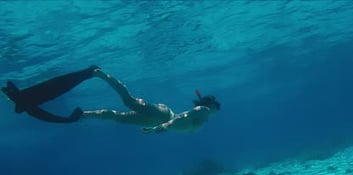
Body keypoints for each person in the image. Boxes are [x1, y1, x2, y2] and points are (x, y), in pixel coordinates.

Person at [1, 66, 220, 133]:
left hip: (158, 119)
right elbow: (180, 120)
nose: (216, 110)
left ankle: (82, 114)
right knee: (129, 102)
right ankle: (100, 74)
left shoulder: (204, 114)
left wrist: (158, 128)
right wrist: (160, 128)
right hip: (162, 116)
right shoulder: (204, 112)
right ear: (209, 105)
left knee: (119, 117)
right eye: (215, 106)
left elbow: (183, 120)